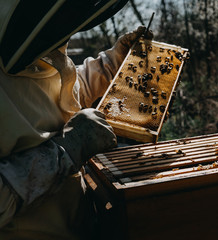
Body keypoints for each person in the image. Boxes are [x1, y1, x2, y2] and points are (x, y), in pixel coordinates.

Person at [0, 1, 152, 239]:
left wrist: (113, 64)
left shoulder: (40, 52)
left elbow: (63, 91)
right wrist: (66, 151)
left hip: (79, 224)